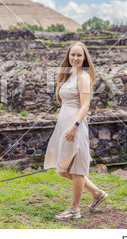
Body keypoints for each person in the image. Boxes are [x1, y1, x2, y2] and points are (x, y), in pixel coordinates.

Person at [44, 41, 108, 220]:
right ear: (68, 56)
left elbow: (86, 103)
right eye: (73, 55)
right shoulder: (70, 75)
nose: (76, 58)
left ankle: (74, 210)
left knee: (77, 168)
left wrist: (75, 126)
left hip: (75, 125)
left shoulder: (83, 77)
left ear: (85, 58)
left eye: (79, 55)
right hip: (65, 123)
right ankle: (97, 193)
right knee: (63, 169)